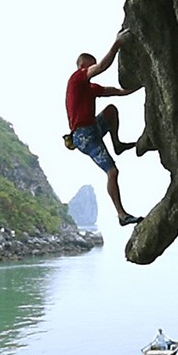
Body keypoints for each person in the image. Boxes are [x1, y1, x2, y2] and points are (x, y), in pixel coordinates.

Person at [64, 30, 142, 226]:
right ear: (83, 66)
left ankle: (117, 144)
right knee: (112, 172)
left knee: (111, 110)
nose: (92, 70)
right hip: (83, 137)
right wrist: (117, 44)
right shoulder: (76, 79)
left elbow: (115, 92)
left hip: (93, 128)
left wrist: (141, 85)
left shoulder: (89, 88)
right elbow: (102, 67)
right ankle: (122, 215)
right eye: (90, 66)